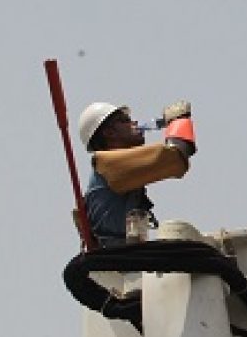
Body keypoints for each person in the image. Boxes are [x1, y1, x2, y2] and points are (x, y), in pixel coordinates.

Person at [78, 100, 196, 246]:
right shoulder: (108, 164)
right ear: (109, 132)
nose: (135, 122)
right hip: (117, 259)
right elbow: (176, 155)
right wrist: (180, 121)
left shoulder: (112, 167)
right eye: (126, 120)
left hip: (122, 256)